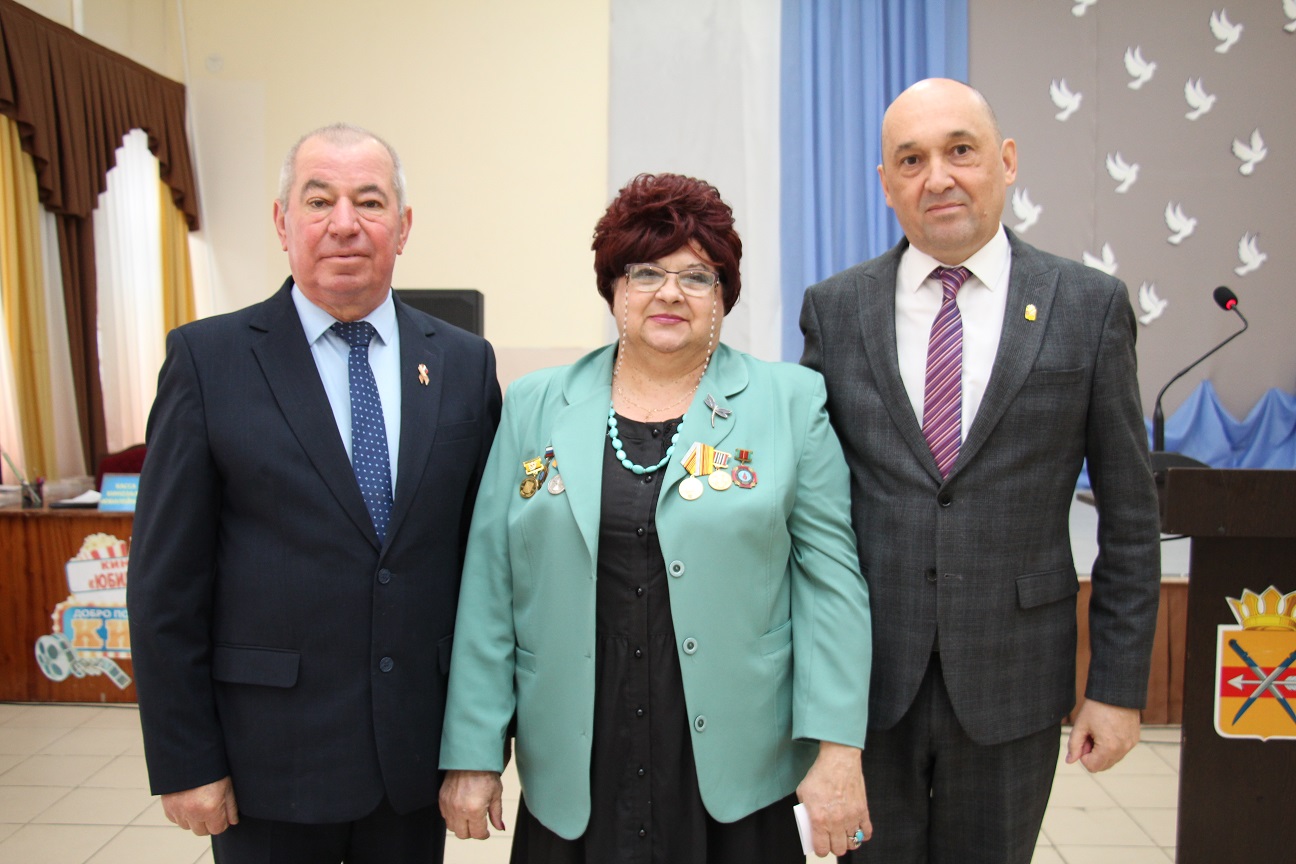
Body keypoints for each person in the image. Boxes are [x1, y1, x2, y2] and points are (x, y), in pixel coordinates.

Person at [438, 172, 873, 862]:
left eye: (697, 277)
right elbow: (492, 584)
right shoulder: (536, 404)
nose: (670, 293)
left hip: (739, 759)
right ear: (614, 287)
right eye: (645, 273)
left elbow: (832, 585)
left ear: (723, 295)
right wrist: (473, 750)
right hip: (576, 756)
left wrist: (838, 748)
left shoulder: (790, 402)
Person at [800, 79, 1162, 864]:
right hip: (866, 685)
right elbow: (809, 504)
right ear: (887, 183)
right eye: (911, 160)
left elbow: (1132, 517)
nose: (938, 177)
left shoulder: (1088, 306)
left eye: (960, 151)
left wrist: (1117, 686)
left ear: (1006, 161)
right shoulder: (836, 309)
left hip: (1014, 679)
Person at [127, 123, 502, 864]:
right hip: (266, 764)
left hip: (413, 761)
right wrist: (186, 759)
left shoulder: (464, 363)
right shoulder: (208, 360)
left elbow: (489, 571)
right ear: (282, 221)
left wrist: (480, 745)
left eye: (370, 201)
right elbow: (164, 583)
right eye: (319, 199)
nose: (344, 223)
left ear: (403, 226)